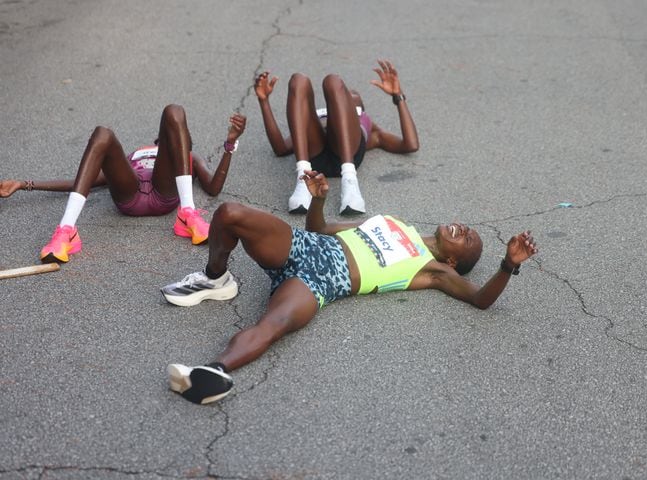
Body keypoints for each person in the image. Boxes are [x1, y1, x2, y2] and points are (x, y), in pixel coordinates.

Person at [160, 170, 539, 405]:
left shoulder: (434, 270)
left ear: (455, 261)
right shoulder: (391, 223)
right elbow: (319, 230)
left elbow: (479, 299)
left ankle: (212, 372)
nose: (465, 229)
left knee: (272, 325)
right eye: (467, 227)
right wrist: (319, 200)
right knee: (230, 214)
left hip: (322, 281)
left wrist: (507, 265)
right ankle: (216, 278)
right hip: (308, 245)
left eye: (468, 239)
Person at [0, 105, 246, 263]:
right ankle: (66, 231)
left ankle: (188, 215)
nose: (173, 137)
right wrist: (25, 184)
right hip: (131, 194)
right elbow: (83, 182)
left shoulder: (187, 159)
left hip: (164, 191)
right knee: (102, 133)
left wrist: (230, 145)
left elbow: (213, 187)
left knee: (174, 111)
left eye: (179, 137)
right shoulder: (136, 154)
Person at [254, 59, 419, 215]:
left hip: (347, 156)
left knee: (333, 81)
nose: (350, 95)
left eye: (350, 96)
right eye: (346, 94)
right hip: (313, 160)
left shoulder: (370, 128)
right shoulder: (319, 119)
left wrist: (398, 96)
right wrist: (264, 102)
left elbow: (410, 144)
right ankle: (302, 178)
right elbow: (281, 148)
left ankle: (350, 183)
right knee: (299, 80)